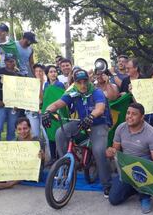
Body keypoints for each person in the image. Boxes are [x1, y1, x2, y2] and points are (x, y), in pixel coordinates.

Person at [43, 69, 113, 197]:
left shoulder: (96, 91)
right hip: (81, 122)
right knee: (60, 133)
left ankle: (107, 184)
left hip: (98, 123)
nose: (82, 85)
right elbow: (58, 103)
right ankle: (67, 165)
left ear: (89, 80)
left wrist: (91, 116)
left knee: (98, 151)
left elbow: (100, 108)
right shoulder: (73, 92)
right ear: (74, 82)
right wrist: (47, 111)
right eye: (79, 82)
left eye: (85, 81)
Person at [105, 103, 153, 213]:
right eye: (128, 113)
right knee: (113, 199)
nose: (129, 116)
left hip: (143, 168)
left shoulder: (152, 134)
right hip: (126, 167)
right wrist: (110, 152)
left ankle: (145, 196)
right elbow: (116, 152)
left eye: (134, 114)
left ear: (142, 117)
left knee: (144, 164)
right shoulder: (121, 128)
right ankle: (134, 188)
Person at [0, 53, 20, 141]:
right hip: (0, 104)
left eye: (13, 61)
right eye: (9, 61)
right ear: (5, 62)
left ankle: (10, 149)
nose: (11, 63)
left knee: (12, 129)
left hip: (14, 106)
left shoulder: (19, 74)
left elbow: (21, 92)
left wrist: (18, 103)